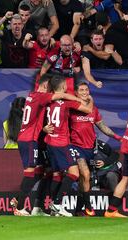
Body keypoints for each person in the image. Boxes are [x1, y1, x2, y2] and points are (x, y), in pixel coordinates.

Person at [10, 73, 86, 216]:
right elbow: (59, 95)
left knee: (39, 172)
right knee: (30, 172)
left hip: (30, 139)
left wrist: (43, 128)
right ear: (45, 86)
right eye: (49, 88)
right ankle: (19, 206)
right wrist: (77, 98)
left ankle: (31, 204)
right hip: (30, 139)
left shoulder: (31, 95)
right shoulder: (40, 96)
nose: (51, 91)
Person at [70, 82, 122, 216]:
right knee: (86, 175)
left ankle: (78, 209)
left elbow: (102, 126)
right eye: (81, 90)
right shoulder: (71, 107)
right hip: (76, 147)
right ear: (76, 93)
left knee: (84, 180)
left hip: (90, 148)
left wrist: (117, 137)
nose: (84, 92)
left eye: (86, 90)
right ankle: (89, 208)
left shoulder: (94, 109)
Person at [44, 75, 93, 217]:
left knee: (57, 174)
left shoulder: (47, 100)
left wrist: (43, 128)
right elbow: (89, 110)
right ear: (64, 87)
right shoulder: (67, 103)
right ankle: (58, 204)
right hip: (61, 143)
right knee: (74, 173)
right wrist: (89, 99)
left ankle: (51, 207)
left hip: (49, 142)